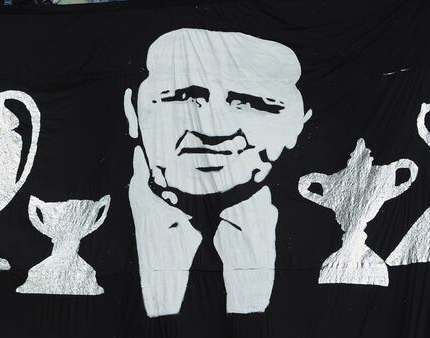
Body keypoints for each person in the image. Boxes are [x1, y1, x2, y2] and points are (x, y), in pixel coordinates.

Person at [123, 27, 313, 317]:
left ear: (297, 123)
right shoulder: (96, 213)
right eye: (183, 96)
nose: (214, 129)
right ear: (133, 113)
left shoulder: (322, 226)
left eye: (251, 103)